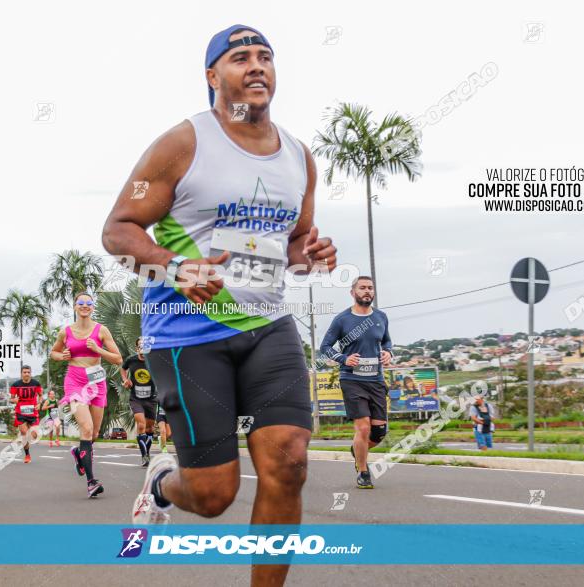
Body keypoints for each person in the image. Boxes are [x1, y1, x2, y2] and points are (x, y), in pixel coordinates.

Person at [101, 24, 337, 586]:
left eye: (264, 57)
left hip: (269, 327)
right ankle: (163, 481)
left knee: (289, 462)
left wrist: (314, 252)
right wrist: (174, 267)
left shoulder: (300, 157)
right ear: (213, 77)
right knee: (212, 496)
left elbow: (294, 244)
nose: (255, 66)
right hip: (187, 334)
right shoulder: (182, 144)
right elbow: (118, 230)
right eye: (239, 58)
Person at [319, 276, 393, 489]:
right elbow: (325, 347)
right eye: (362, 288)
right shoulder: (342, 319)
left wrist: (388, 352)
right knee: (362, 428)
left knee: (378, 433)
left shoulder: (381, 317)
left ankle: (357, 450)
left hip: (376, 380)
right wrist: (343, 359)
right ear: (353, 292)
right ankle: (363, 471)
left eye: (370, 288)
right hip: (352, 379)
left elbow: (386, 340)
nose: (367, 291)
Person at [50, 292, 122, 498]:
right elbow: (53, 353)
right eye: (80, 303)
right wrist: (61, 355)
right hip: (75, 382)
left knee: (95, 433)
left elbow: (117, 358)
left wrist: (98, 350)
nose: (84, 306)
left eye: (88, 303)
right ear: (75, 307)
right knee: (87, 427)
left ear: (92, 307)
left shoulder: (101, 330)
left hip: (97, 383)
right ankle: (91, 482)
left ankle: (78, 453)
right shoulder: (66, 332)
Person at [121, 337, 157, 466]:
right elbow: (123, 368)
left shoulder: (154, 360)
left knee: (150, 427)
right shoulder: (131, 360)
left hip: (151, 398)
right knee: (141, 425)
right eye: (140, 346)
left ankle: (147, 452)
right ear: (137, 348)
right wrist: (125, 380)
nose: (143, 349)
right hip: (136, 398)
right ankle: (144, 456)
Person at [9, 365, 43, 464]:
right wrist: (13, 400)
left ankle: (25, 437)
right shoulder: (15, 385)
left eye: (28, 372)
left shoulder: (36, 383)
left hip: (33, 411)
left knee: (34, 435)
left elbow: (40, 396)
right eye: (24, 372)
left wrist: (40, 403)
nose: (27, 374)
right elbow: (11, 399)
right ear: (21, 373)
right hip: (21, 412)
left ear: (30, 373)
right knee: (24, 434)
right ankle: (27, 454)